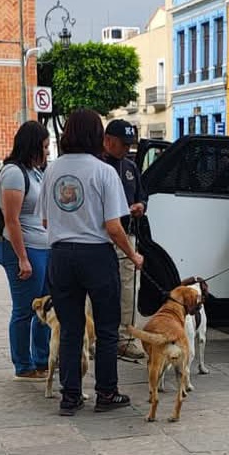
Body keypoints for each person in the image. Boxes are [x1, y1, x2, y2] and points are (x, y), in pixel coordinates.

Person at [40, 109, 144, 415]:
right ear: (97, 136)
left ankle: (70, 395)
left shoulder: (52, 170)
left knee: (71, 328)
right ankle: (106, 393)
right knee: (107, 327)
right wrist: (133, 254)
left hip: (60, 254)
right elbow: (114, 226)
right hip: (96, 255)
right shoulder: (104, 172)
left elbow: (46, 220)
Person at [0, 121, 52, 381]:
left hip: (42, 246)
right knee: (24, 309)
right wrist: (22, 258)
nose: (48, 152)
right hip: (24, 248)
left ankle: (42, 359)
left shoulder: (35, 172)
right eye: (44, 146)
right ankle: (24, 364)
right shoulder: (13, 174)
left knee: (45, 307)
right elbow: (12, 220)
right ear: (33, 146)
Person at [101, 118, 149, 359]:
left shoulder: (130, 168)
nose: (127, 149)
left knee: (128, 287)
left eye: (130, 144)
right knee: (97, 289)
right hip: (101, 236)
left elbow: (143, 195)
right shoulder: (98, 165)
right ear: (108, 141)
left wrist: (140, 205)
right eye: (123, 144)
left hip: (127, 232)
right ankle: (92, 337)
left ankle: (126, 337)